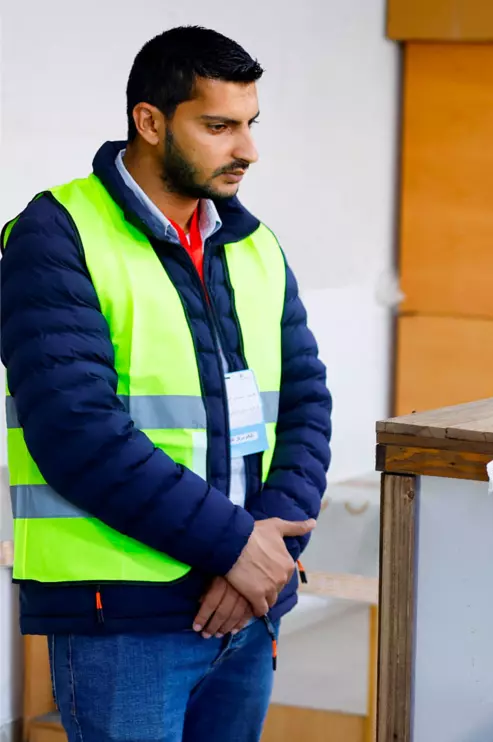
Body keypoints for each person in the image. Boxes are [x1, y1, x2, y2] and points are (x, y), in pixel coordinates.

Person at [1, 26, 332, 742]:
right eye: (218, 126)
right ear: (149, 122)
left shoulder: (254, 243)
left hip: (247, 606)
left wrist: (267, 560)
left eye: (249, 125)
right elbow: (78, 433)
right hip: (127, 620)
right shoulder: (54, 235)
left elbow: (305, 406)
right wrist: (237, 547)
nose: (246, 149)